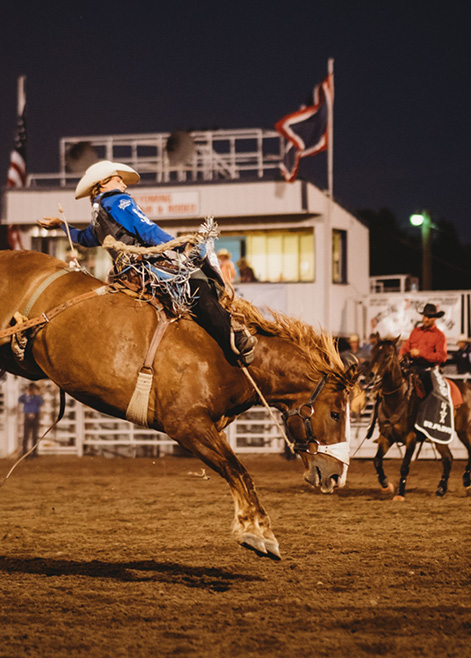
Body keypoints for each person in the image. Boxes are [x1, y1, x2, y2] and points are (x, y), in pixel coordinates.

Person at [37, 160, 256, 366]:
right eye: (117, 179)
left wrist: (60, 226)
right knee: (198, 283)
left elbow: (84, 238)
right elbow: (146, 229)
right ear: (102, 184)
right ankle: (232, 341)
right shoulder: (117, 200)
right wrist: (180, 246)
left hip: (125, 273)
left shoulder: (98, 212)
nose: (123, 183)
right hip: (145, 266)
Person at [399, 303, 447, 394]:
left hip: (428, 369)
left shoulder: (439, 335)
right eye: (425, 316)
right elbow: (406, 348)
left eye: (430, 317)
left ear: (435, 318)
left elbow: (442, 357)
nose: (426, 319)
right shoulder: (415, 331)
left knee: (427, 390)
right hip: (412, 367)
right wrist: (401, 355)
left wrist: (421, 353)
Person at [18, 383, 44, 458]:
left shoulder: (36, 398)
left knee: (34, 435)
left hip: (35, 416)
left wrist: (37, 394)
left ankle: (34, 452)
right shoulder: (27, 397)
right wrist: (26, 393)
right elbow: (20, 399)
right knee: (26, 435)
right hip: (28, 416)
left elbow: (41, 402)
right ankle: (25, 452)